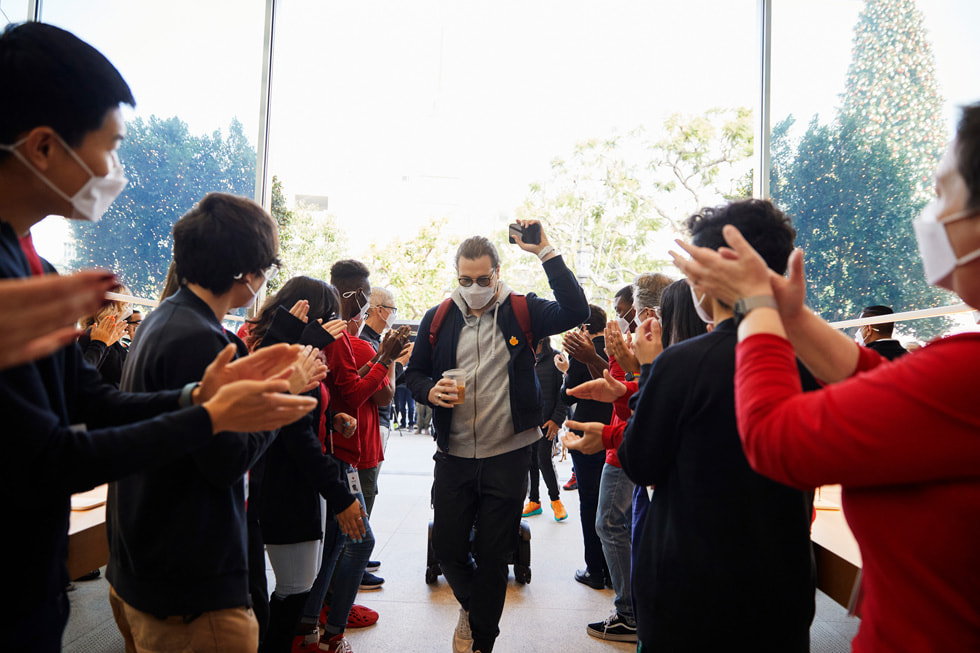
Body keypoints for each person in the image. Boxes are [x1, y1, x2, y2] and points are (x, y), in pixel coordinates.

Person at [0, 22, 316, 652]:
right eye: (110, 147)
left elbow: (92, 401)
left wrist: (199, 399)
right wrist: (218, 415)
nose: (112, 170)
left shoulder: (33, 267)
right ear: (44, 147)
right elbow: (53, 457)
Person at [671, 103, 980, 652]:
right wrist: (791, 315)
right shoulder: (957, 373)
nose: (930, 214)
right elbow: (890, 386)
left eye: (941, 192)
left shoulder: (966, 373)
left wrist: (755, 309)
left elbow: (774, 437)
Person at [107, 192, 317, 652]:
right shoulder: (202, 341)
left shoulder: (161, 320)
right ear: (248, 273)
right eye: (267, 268)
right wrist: (285, 393)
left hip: (144, 569)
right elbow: (227, 460)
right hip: (188, 592)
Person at [619, 199, 817, 652]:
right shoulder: (810, 363)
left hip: (688, 597)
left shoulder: (681, 365)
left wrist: (647, 371)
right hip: (780, 595)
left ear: (708, 276)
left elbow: (640, 462)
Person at [405, 220, 588, 653]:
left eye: (482, 280)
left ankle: (481, 640)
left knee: (494, 556)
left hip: (508, 455)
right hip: (454, 455)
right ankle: (476, 609)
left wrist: (545, 252)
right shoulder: (439, 317)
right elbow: (414, 373)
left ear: (498, 273)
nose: (474, 287)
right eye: (465, 280)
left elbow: (576, 310)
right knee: (448, 549)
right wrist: (429, 391)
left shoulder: (522, 309)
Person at [247, 277, 365, 653]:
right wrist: (339, 495)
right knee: (293, 589)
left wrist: (331, 419)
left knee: (287, 588)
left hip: (282, 481)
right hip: (286, 484)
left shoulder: (285, 348)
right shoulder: (290, 354)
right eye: (331, 316)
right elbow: (294, 432)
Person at [560, 304, 613, 591]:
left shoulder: (583, 353)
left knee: (590, 502)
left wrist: (566, 372)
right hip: (615, 433)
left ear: (583, 327)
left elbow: (567, 396)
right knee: (614, 506)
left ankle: (595, 569)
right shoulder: (618, 349)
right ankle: (614, 569)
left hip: (587, 434)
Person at [522, 335, 568, 521]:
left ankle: (556, 500)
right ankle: (534, 501)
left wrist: (557, 420)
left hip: (548, 421)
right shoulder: (525, 357)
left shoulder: (557, 358)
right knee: (530, 461)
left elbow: (564, 394)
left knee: (543, 458)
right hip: (528, 421)